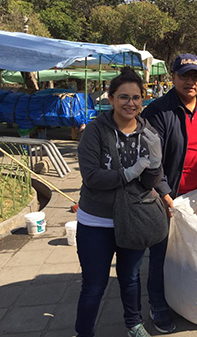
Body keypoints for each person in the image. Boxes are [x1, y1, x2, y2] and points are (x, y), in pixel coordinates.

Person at [76, 67, 163, 337]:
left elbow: (149, 183)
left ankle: (133, 324)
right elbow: (91, 177)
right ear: (111, 98)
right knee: (94, 284)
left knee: (130, 277)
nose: (130, 103)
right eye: (123, 97)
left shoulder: (148, 133)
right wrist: (127, 173)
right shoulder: (95, 131)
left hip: (134, 218)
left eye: (136, 98)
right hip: (97, 220)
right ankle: (84, 332)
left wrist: (155, 166)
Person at [142, 53, 197, 333]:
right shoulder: (157, 112)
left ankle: (185, 297)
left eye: (196, 76)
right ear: (173, 78)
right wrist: (163, 192)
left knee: (193, 252)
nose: (191, 82)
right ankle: (159, 305)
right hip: (166, 195)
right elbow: (151, 160)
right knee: (162, 252)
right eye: (184, 76)